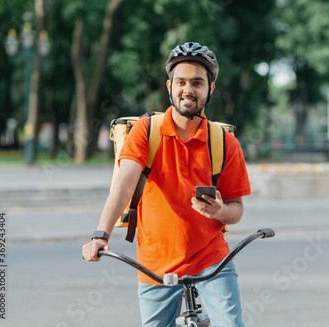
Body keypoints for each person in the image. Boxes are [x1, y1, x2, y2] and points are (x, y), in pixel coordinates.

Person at [82, 42, 251, 326]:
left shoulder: (224, 142)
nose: (188, 89)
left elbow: (237, 209)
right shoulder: (146, 132)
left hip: (212, 259)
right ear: (169, 86)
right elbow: (123, 187)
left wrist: (220, 210)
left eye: (198, 82)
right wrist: (101, 234)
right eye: (181, 82)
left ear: (210, 88)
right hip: (154, 262)